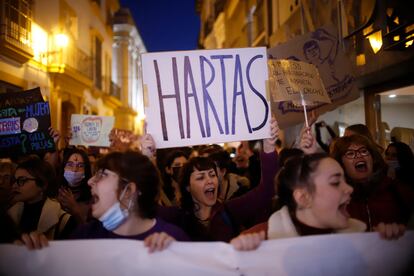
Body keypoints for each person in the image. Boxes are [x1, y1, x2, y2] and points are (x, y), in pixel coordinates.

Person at [18, 151, 189, 252]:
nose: (90, 181)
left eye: (102, 175)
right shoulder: (84, 236)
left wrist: (177, 257)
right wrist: (38, 257)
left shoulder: (175, 239)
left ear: (128, 190)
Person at [231, 154, 405, 251]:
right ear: (303, 198)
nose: (349, 189)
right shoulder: (261, 241)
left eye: (345, 180)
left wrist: (390, 248)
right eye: (336, 182)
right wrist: (239, 260)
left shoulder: (365, 237)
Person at [156, 117, 280, 242]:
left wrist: (268, 147)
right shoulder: (178, 218)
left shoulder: (229, 211)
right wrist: (146, 155)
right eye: (200, 177)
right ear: (188, 187)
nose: (209, 180)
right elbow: (147, 210)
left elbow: (268, 190)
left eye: (212, 175)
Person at [330, 135, 413, 230]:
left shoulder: (396, 189)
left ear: (372, 158)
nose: (359, 156)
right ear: (341, 164)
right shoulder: (336, 197)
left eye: (364, 151)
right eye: (350, 153)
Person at [8, 155, 77, 240]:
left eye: (22, 180)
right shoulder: (9, 216)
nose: (15, 186)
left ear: (42, 184)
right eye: (14, 180)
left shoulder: (64, 220)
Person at [57, 147, 92, 224]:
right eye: (70, 164)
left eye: (80, 166)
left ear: (86, 170)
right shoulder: (54, 192)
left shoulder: (92, 198)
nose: (74, 170)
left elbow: (89, 233)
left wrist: (75, 209)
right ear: (64, 167)